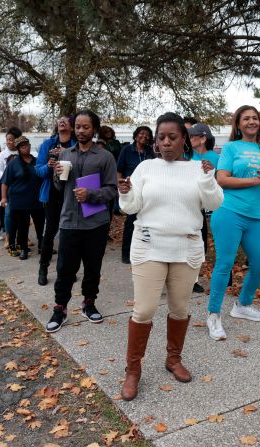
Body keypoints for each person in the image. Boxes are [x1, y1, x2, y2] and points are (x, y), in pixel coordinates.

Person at [118, 112, 223, 401]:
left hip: (186, 247)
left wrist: (206, 178)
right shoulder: (145, 168)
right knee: (144, 310)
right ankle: (133, 370)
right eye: (160, 137)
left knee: (179, 308)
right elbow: (131, 207)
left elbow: (213, 202)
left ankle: (173, 359)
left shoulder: (197, 169)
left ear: (184, 139)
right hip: (149, 245)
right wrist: (125, 193)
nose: (165, 142)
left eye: (172, 137)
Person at [206, 105, 260, 341]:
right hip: (230, 212)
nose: (251, 122)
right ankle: (213, 315)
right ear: (238, 125)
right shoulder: (231, 147)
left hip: (259, 216)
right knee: (225, 264)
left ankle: (242, 305)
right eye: (246, 119)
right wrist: (254, 180)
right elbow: (222, 179)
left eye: (255, 118)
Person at [46, 110, 118, 333]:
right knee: (65, 268)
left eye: (86, 127)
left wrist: (91, 195)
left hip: (95, 222)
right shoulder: (65, 154)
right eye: (78, 126)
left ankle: (89, 303)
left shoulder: (105, 157)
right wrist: (57, 175)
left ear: (94, 129)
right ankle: (60, 308)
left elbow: (112, 190)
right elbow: (59, 188)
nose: (80, 130)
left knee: (92, 267)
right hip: (69, 220)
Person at [36, 116, 76, 285]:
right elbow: (38, 171)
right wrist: (49, 166)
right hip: (52, 194)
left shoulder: (76, 144)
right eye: (59, 120)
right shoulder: (48, 144)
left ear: (72, 126)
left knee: (70, 233)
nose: (62, 122)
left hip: (72, 194)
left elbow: (83, 168)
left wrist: (66, 155)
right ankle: (43, 268)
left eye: (66, 120)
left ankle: (67, 270)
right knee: (50, 232)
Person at [187, 122, 220, 293]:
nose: (190, 138)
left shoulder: (215, 158)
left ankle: (193, 278)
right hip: (186, 204)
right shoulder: (186, 155)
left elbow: (218, 183)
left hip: (204, 206)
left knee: (199, 243)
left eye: (193, 136)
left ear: (203, 138)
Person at [117, 126, 156, 264]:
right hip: (131, 191)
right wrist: (120, 186)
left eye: (147, 135)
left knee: (147, 221)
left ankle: (146, 251)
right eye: (141, 134)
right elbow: (119, 170)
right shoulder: (127, 150)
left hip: (147, 191)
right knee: (130, 222)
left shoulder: (151, 152)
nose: (144, 137)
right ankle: (126, 254)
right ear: (135, 135)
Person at [1, 136, 43, 260]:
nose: (26, 147)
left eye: (27, 145)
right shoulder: (13, 163)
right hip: (19, 201)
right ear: (18, 149)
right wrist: (4, 198)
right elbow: (5, 182)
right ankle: (23, 248)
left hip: (37, 200)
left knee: (40, 224)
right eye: (22, 146)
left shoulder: (37, 161)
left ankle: (42, 245)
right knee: (22, 226)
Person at [0, 128, 23, 249]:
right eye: (7, 140)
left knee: (24, 212)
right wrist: (7, 178)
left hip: (22, 187)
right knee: (9, 213)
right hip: (8, 187)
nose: (9, 142)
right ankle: (8, 236)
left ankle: (23, 237)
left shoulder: (23, 153)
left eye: (11, 140)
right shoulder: (1, 155)